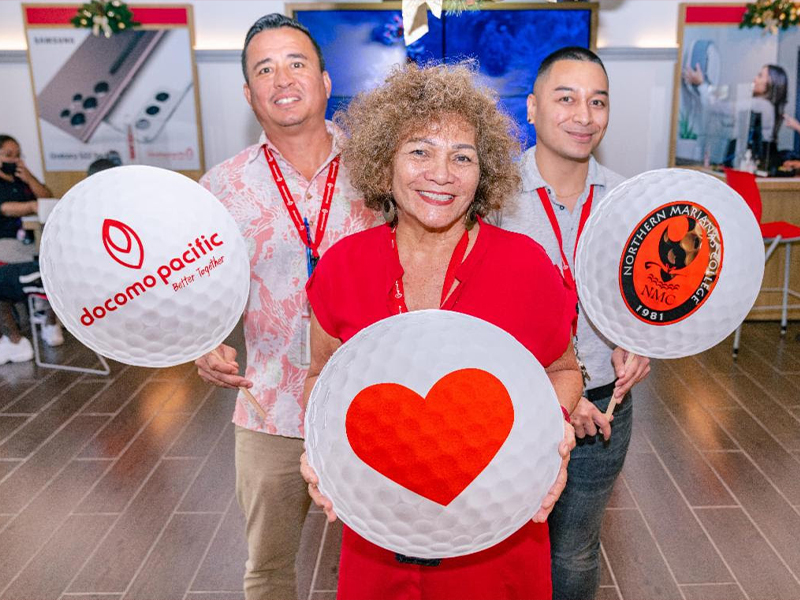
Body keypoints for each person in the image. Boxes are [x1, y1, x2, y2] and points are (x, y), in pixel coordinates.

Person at [300, 61, 582, 600]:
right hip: (379, 527)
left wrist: (555, 436)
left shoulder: (525, 266)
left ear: (485, 173)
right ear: (385, 164)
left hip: (497, 527)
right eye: (420, 151)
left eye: (462, 157)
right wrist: (318, 448)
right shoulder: (343, 266)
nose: (442, 173)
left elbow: (563, 368)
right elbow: (321, 375)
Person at [193, 14, 376, 600]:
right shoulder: (220, 188)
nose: (282, 79)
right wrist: (204, 342)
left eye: (296, 63)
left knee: (389, 556)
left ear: (325, 80)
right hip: (269, 405)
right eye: (264, 69)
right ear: (250, 95)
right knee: (268, 570)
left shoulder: (383, 169)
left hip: (374, 401)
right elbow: (196, 292)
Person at [498, 47, 651, 600]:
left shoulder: (630, 201)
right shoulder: (489, 197)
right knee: (504, 544)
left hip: (607, 410)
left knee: (577, 550)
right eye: (566, 98)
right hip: (512, 403)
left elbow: (646, 293)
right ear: (533, 108)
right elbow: (477, 314)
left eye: (597, 101)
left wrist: (638, 341)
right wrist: (555, 393)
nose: (583, 115)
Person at [0, 135, 52, 264]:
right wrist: (31, 206)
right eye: (8, 155)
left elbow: (47, 198)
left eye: (17, 155)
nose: (14, 160)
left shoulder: (21, 177)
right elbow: (4, 208)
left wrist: (29, 179)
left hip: (34, 237)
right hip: (7, 239)